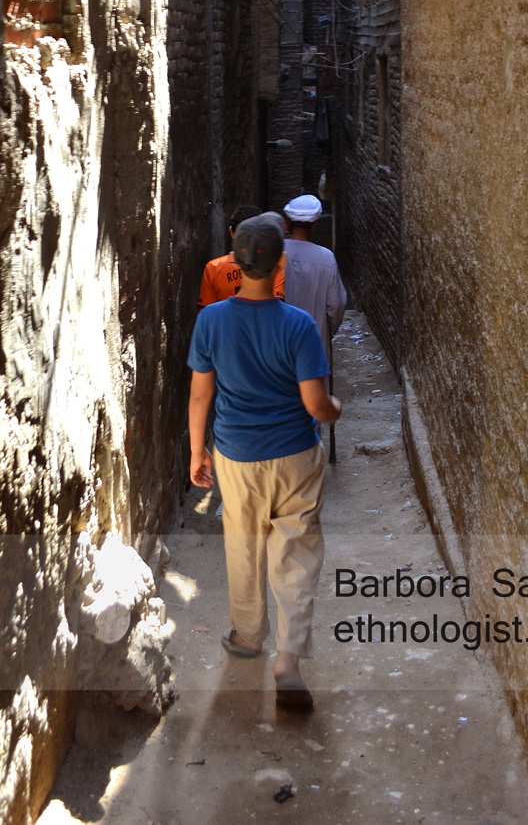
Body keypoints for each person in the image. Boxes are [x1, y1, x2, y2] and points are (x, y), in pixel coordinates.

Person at [187, 212, 341, 709]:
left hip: (236, 456)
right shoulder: (298, 326)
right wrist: (335, 410)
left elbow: (199, 396)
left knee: (244, 544)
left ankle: (250, 638)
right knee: (295, 553)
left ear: (235, 259)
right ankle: (288, 662)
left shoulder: (210, 321)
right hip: (295, 454)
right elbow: (316, 404)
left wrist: (197, 451)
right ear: (280, 263)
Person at [281, 195, 346, 361]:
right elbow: (336, 305)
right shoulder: (326, 258)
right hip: (313, 341)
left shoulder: (274, 252)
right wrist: (328, 330)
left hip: (277, 341)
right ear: (315, 224)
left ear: (288, 220)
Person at [198, 204, 286, 307]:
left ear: (231, 232)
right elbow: (277, 305)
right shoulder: (274, 268)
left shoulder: (214, 268)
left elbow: (205, 308)